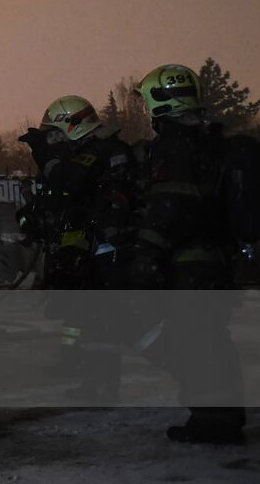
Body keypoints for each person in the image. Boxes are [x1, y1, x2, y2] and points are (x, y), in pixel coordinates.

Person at [124, 64, 249, 443]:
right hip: (216, 259)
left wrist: (146, 251)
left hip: (190, 262)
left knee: (196, 339)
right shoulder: (209, 141)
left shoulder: (174, 143)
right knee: (211, 337)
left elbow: (171, 205)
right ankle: (221, 415)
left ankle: (213, 421)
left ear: (158, 100)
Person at [17, 95, 135, 399]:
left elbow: (70, 184)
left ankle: (104, 386)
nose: (55, 141)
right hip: (88, 247)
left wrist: (47, 156)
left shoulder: (105, 152)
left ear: (73, 126)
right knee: (91, 319)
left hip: (108, 247)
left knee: (105, 320)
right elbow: (58, 198)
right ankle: (97, 384)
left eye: (56, 134)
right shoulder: (86, 153)